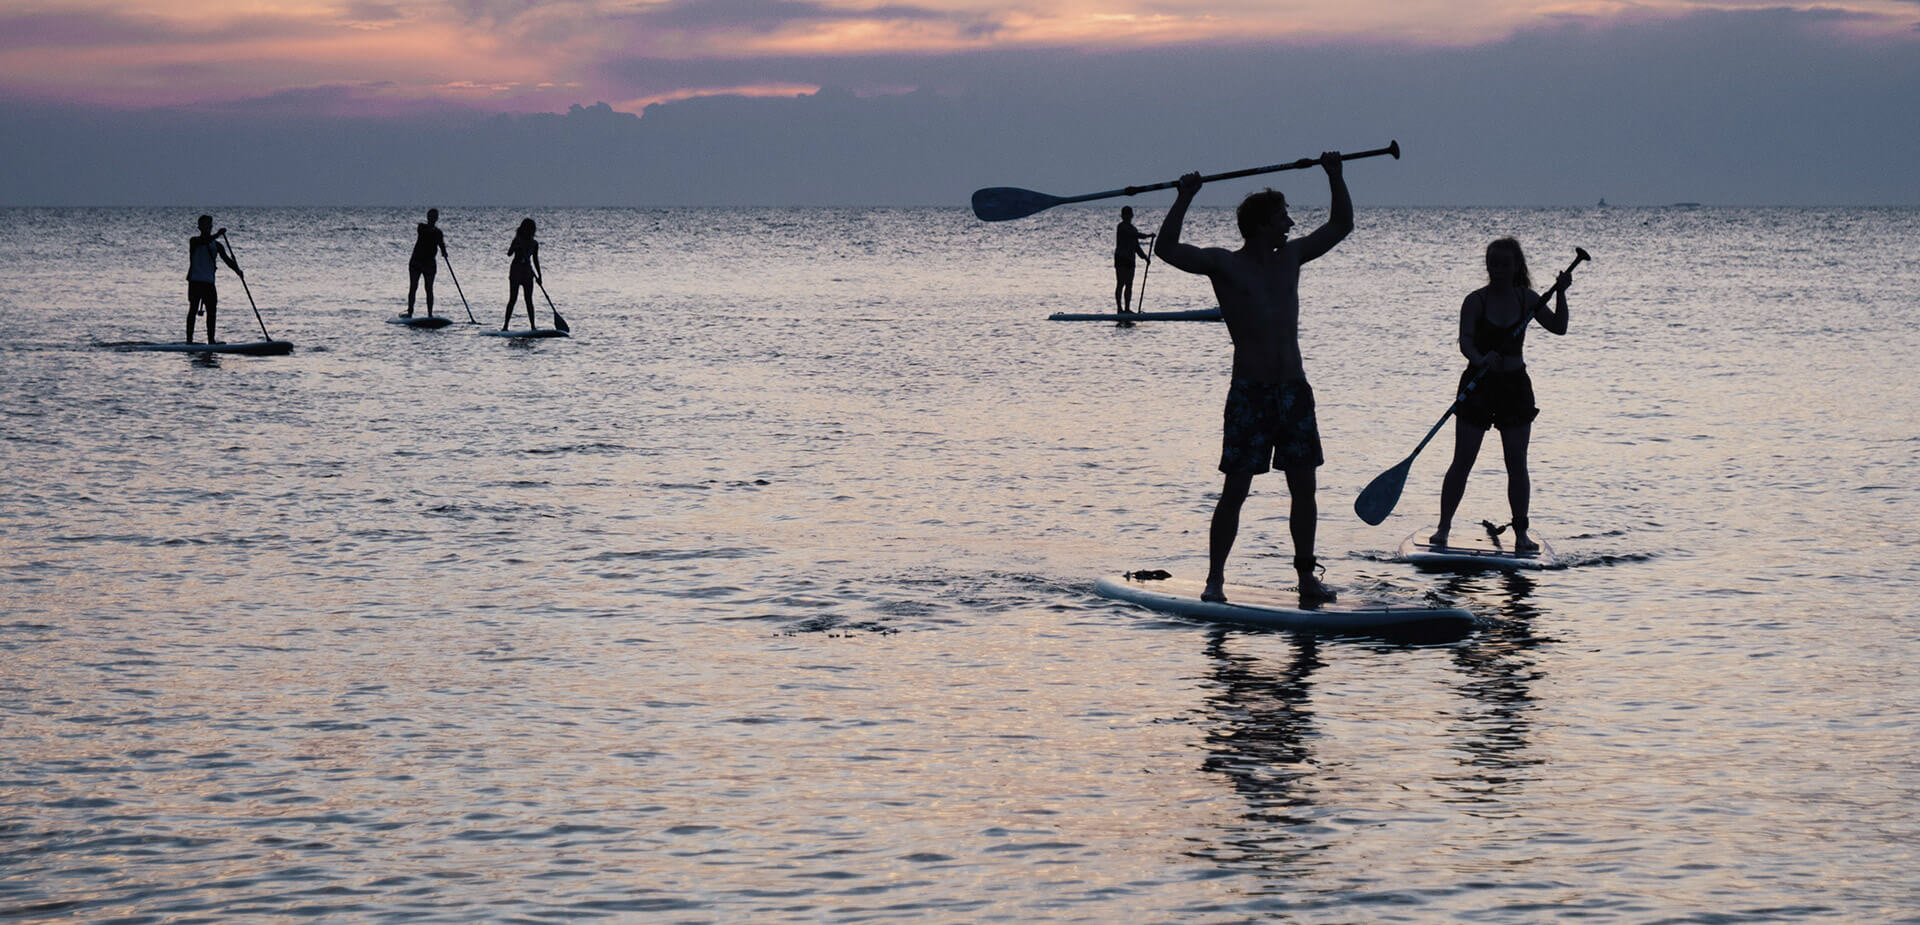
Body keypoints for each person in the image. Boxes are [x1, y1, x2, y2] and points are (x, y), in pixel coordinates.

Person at [1155, 154, 1351, 605]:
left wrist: (1335, 176)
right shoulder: (1226, 265)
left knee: (1304, 490)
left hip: (1294, 391)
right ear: (1262, 224)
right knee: (1236, 490)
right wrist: (1185, 197)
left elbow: (1340, 225)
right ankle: (1214, 581)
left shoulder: (1293, 257)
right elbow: (1167, 250)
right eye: (1282, 216)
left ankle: (1306, 579)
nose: (1290, 223)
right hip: (1250, 394)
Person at [1431, 238, 1571, 554]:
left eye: (1505, 264)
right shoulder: (1474, 301)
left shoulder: (1528, 299)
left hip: (1515, 387)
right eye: (1493, 264)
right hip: (1478, 385)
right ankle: (1443, 528)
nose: (1498, 270)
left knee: (1516, 463)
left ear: (1516, 267)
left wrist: (1561, 292)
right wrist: (1480, 359)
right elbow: (1465, 341)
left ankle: (1521, 534)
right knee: (1462, 461)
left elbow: (1559, 327)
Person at [185, 214, 242, 344]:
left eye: (209, 225)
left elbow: (227, 260)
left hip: (209, 283)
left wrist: (238, 270)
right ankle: (189, 341)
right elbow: (204, 241)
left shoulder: (217, 245)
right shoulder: (194, 241)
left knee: (212, 311)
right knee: (193, 309)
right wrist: (218, 234)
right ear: (200, 227)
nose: (208, 227)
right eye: (205, 225)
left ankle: (211, 340)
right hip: (195, 281)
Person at [406, 208, 448, 318]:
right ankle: (410, 312)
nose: (432, 219)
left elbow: (442, 245)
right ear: (427, 217)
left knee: (429, 288)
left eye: (434, 217)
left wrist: (444, 252)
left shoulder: (438, 232)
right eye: (431, 216)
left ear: (437, 218)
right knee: (413, 287)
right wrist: (438, 238)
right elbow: (428, 233)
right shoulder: (421, 227)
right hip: (416, 262)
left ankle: (430, 314)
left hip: (429, 264)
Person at [502, 218, 541, 330]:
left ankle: (533, 326)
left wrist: (539, 276)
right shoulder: (517, 240)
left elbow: (536, 260)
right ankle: (505, 326)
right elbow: (509, 254)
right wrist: (515, 247)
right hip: (516, 272)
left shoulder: (534, 244)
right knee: (513, 299)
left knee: (529, 300)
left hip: (528, 273)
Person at [1114, 206, 1153, 313]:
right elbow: (1134, 235)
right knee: (1121, 283)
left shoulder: (1133, 228)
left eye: (1129, 215)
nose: (1127, 217)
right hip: (1121, 258)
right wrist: (1147, 236)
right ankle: (1119, 308)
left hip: (1130, 260)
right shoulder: (1121, 227)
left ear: (1131, 216)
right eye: (1125, 215)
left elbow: (1136, 247)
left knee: (1129, 284)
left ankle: (1127, 308)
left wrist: (1145, 258)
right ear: (1122, 216)